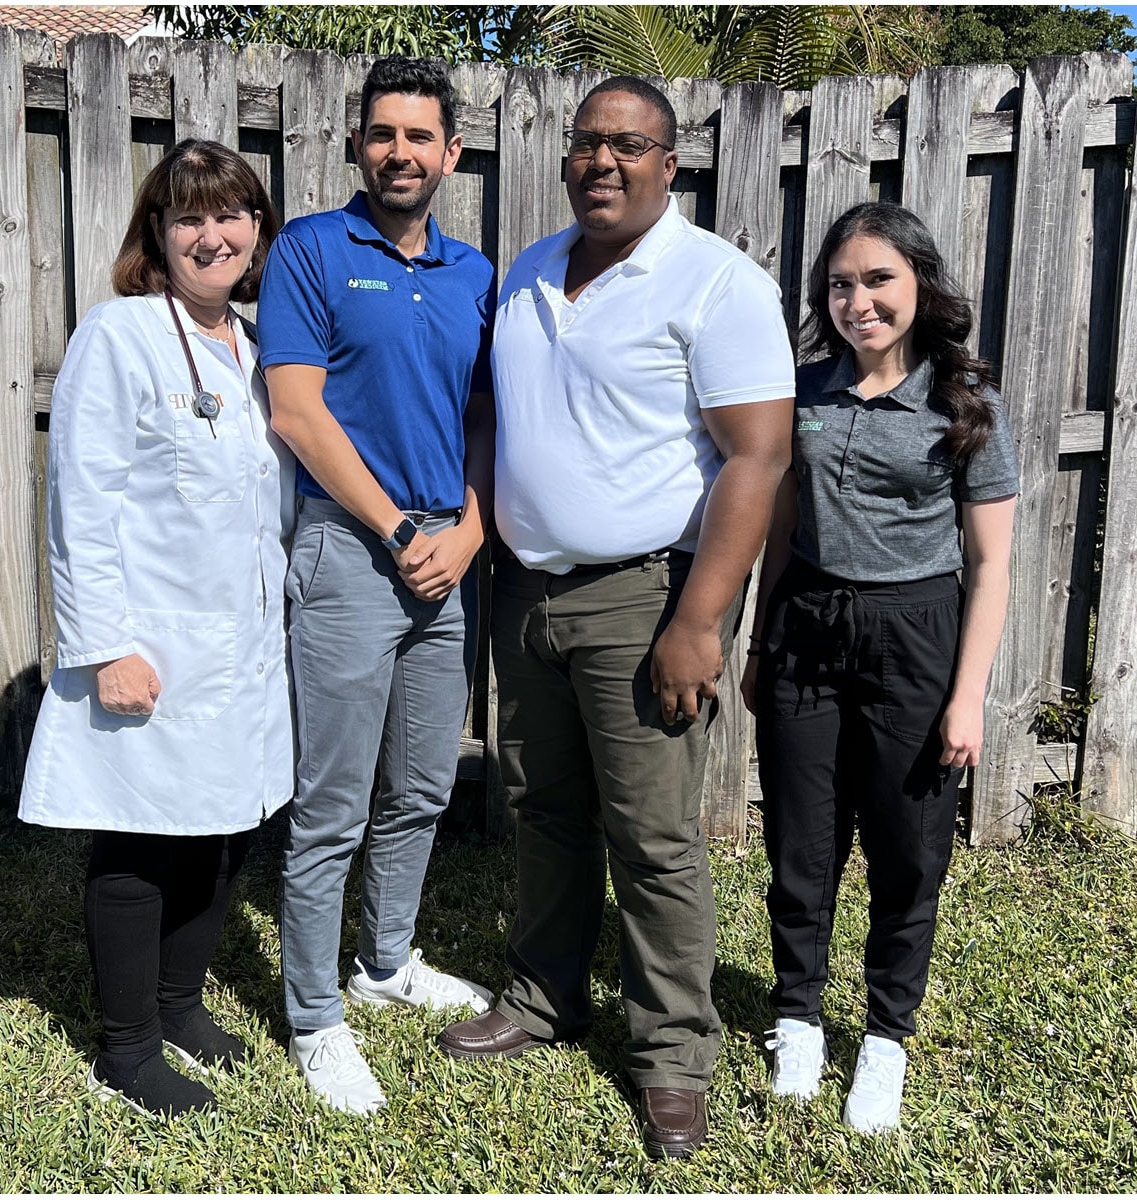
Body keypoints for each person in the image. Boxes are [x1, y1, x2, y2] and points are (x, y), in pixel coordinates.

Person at [437, 76, 795, 1160]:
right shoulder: (535, 270)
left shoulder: (716, 283)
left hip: (647, 598)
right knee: (542, 811)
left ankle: (674, 1055)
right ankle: (548, 997)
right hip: (528, 590)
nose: (603, 161)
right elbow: (503, 416)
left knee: (652, 838)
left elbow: (758, 455)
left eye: (628, 146)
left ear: (668, 163)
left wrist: (699, 620)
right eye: (587, 144)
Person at [19, 140, 293, 1117]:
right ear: (157, 235)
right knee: (140, 846)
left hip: (246, 652)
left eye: (230, 214)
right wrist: (104, 650)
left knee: (222, 834)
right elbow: (79, 502)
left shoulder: (263, 348)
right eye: (188, 217)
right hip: (152, 644)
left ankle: (182, 1007)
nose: (210, 234)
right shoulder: (122, 335)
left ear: (258, 230)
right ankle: (126, 1048)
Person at [740, 202, 1019, 1133]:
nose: (858, 301)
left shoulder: (963, 400)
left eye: (878, 280)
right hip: (806, 623)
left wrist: (968, 695)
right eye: (840, 284)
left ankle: (887, 1037)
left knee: (907, 848)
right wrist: (756, 640)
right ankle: (798, 1018)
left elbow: (991, 563)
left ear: (920, 286)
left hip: (915, 635)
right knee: (801, 843)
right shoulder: (803, 391)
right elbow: (781, 525)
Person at [257, 56, 495, 1117]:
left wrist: (471, 532)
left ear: (452, 152)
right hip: (354, 553)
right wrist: (400, 527)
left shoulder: (473, 274)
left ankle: (384, 960)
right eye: (382, 133)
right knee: (334, 804)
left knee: (422, 787)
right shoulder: (312, 250)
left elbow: (490, 421)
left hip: (448, 558)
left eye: (420, 136)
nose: (401, 152)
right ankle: (314, 1014)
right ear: (357, 144)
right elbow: (297, 412)